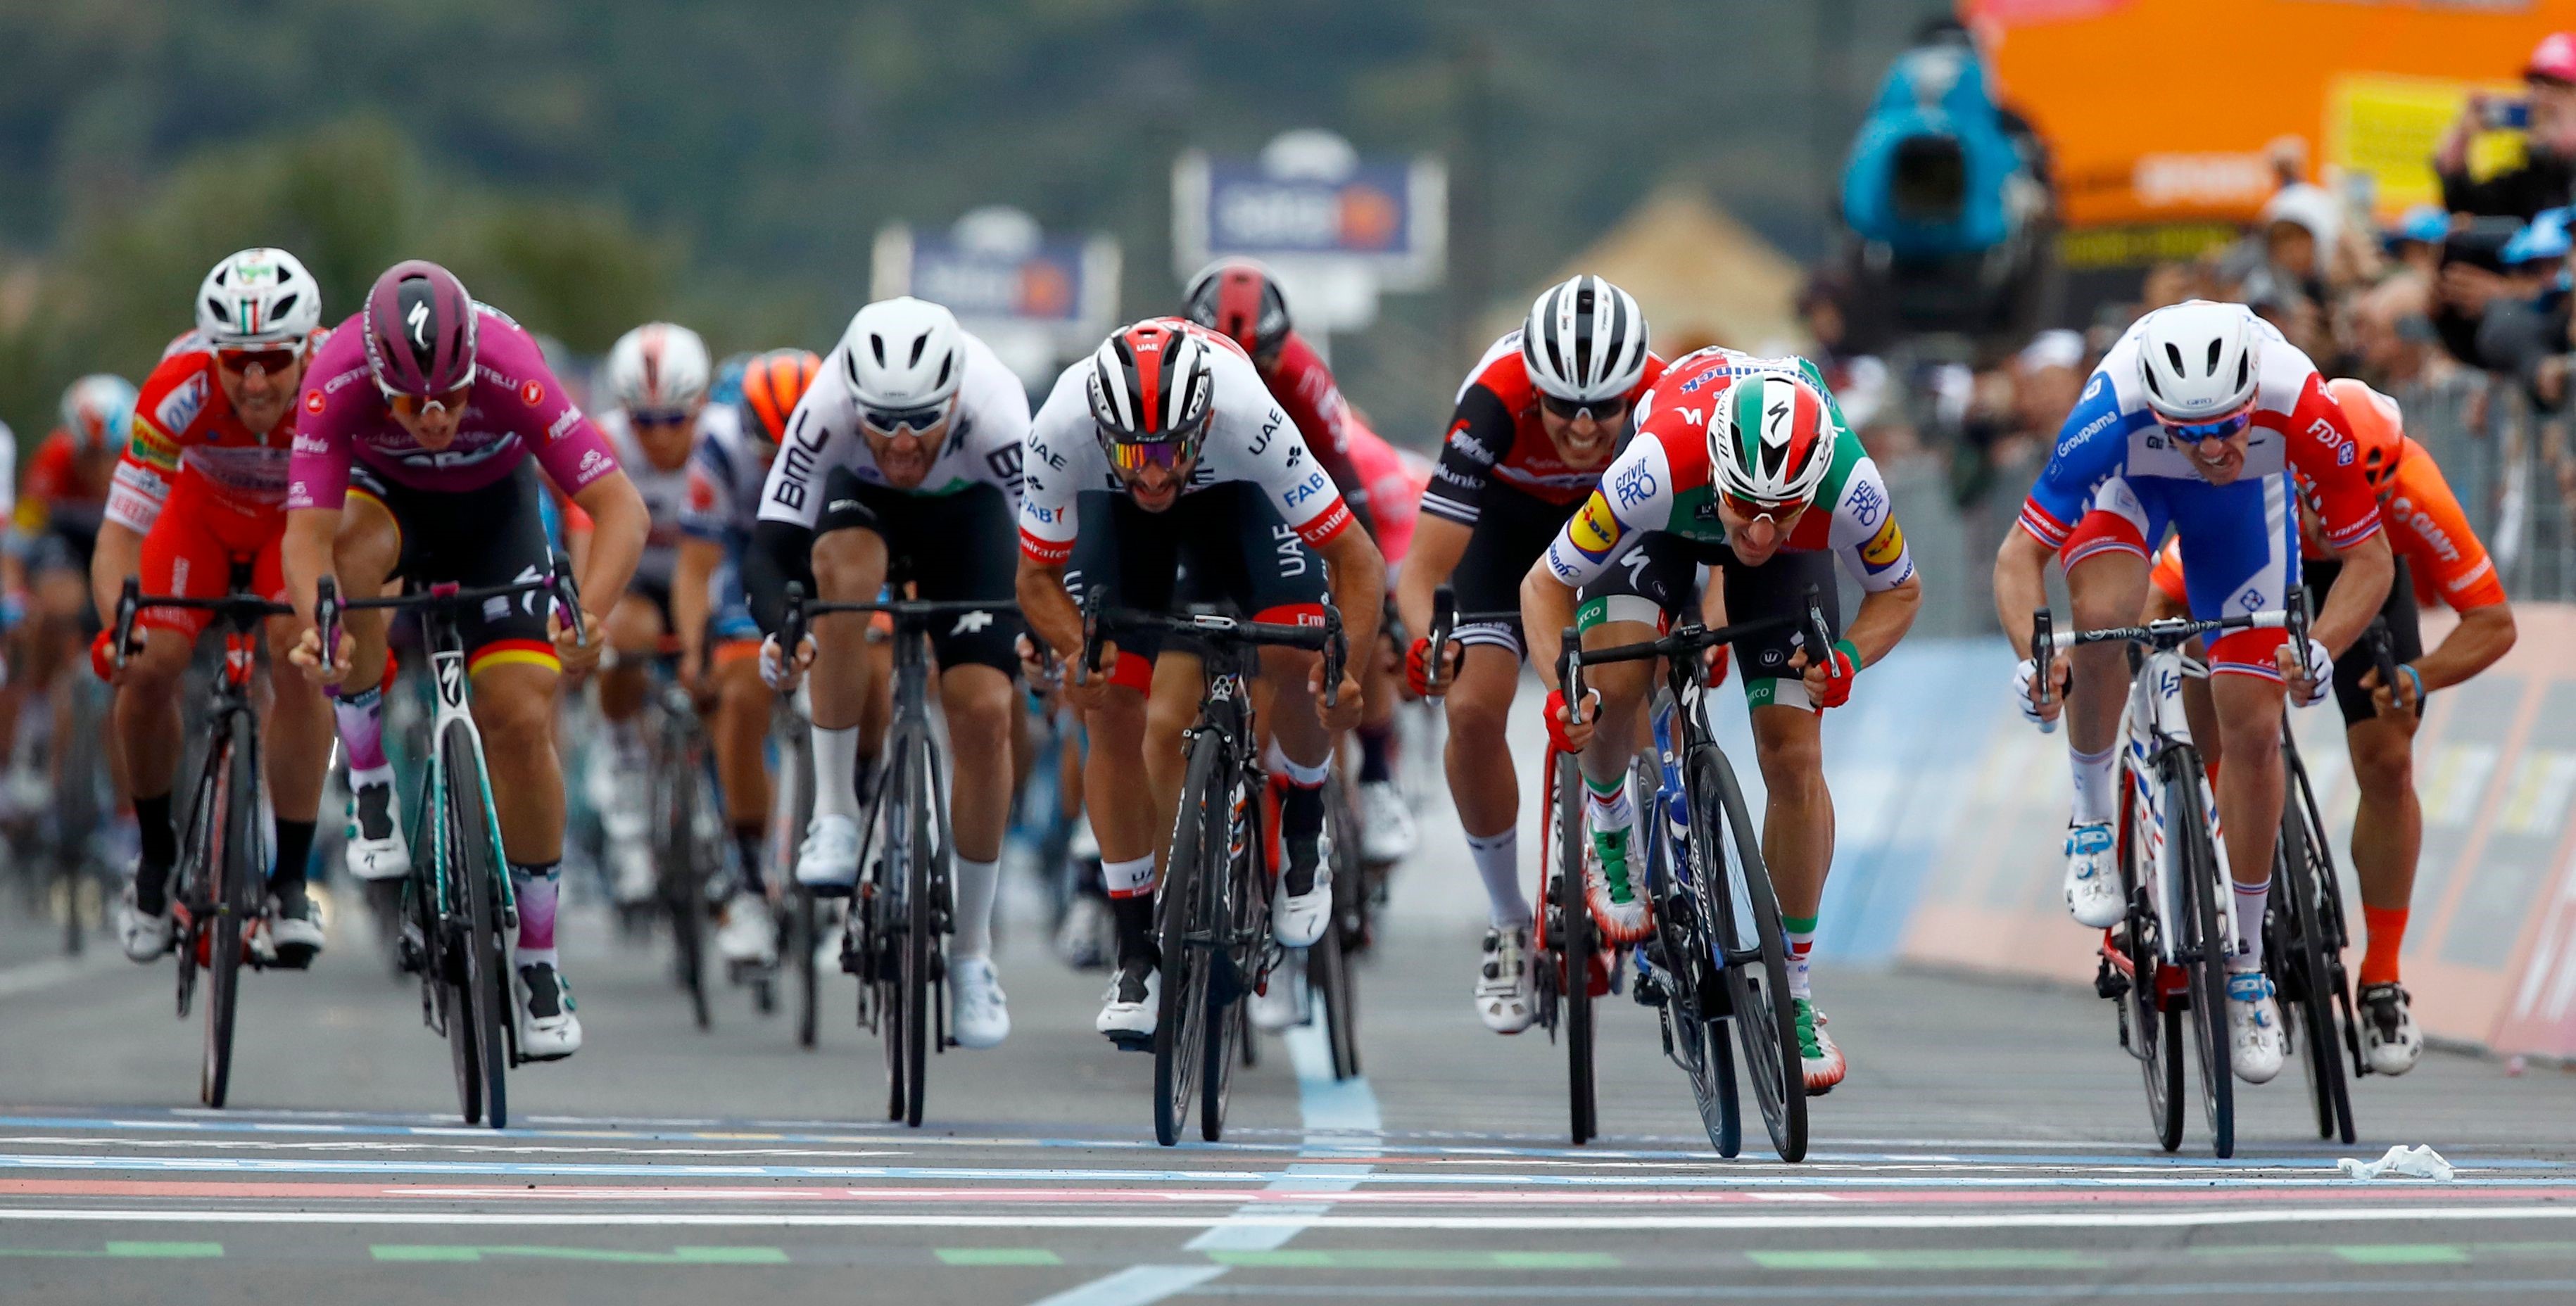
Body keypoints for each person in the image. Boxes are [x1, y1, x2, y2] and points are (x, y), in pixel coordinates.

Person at [1993, 300, 2394, 1086]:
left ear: (2255, 398)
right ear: (2158, 410)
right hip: (2131, 490)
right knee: (2104, 617)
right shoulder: (2109, 409)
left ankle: (2247, 970)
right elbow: (2018, 556)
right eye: (2191, 431)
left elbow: (2370, 559)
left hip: (2243, 516)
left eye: (2229, 427)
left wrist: (2319, 648)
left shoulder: (2302, 401)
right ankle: (2091, 820)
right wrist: (2039, 660)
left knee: (2251, 728)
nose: (2213, 446)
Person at [1522, 352, 1922, 1093]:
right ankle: (1611, 822)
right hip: (1665, 526)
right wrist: (1562, 689)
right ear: (1716, 468)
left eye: (1784, 513)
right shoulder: (1655, 463)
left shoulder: (1850, 485)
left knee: (1795, 757)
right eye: (1745, 506)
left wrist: (1845, 659)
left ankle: (1793, 990)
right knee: (1616, 680)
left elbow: (1899, 592)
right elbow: (1544, 583)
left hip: (1776, 556)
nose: (1762, 532)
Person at [282, 260, 650, 1062]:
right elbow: (305, 533)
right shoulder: (334, 376)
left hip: (496, 515)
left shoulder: (513, 367)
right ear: (379, 377)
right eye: (414, 402)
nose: (438, 415)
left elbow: (621, 507)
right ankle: (371, 776)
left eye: (452, 395)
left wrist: (590, 613)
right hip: (387, 507)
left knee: (521, 716)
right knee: (348, 563)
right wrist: (318, 626)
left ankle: (541, 960)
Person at [1014, 318, 1385, 1046]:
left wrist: (1344, 672)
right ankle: (1134, 952)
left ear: (1204, 421)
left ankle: (1304, 827)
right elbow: (1035, 577)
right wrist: (1074, 648)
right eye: (1133, 453)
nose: (1152, 472)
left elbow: (1358, 560)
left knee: (1299, 651)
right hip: (1120, 528)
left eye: (1168, 450)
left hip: (1237, 506)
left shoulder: (1247, 412)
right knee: (1110, 702)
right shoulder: (1061, 424)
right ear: (1099, 426)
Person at [2144, 380, 2513, 1075]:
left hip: (2368, 577)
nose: (2337, 512)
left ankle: (2382, 976)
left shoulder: (2413, 489)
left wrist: (2415, 677)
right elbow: (2165, 592)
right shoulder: (2257, 472)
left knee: (2389, 758)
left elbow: (2494, 623)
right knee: (2199, 647)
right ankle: (2226, 816)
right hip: (2264, 560)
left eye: (2373, 493)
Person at [742, 298, 1028, 1051]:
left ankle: (971, 953)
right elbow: (771, 547)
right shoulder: (829, 401)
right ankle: (834, 812)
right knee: (839, 576)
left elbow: (1049, 549)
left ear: (956, 400)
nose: (902, 444)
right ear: (854, 402)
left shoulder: (998, 406)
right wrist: (783, 627)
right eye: (882, 424)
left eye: (922, 424)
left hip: (970, 525)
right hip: (862, 511)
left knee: (984, 710)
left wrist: (1042, 642)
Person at [1391, 274, 1663, 1035]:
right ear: (1532, 388)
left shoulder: (1662, 398)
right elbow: (1423, 571)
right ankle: (1510, 919)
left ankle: (1655, 860)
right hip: (1506, 531)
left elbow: (1697, 540)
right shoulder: (1492, 399)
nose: (1582, 428)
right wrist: (1425, 644)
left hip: (1616, 526)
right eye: (1562, 409)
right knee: (1474, 707)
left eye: (1605, 409)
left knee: (1635, 677)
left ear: (1634, 388)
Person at [99, 248, 336, 968]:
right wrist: (120, 628)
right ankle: (154, 863)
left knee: (298, 662)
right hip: (198, 518)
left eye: (272, 358)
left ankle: (291, 880)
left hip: (291, 527)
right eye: (237, 362)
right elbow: (120, 533)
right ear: (211, 352)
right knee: (149, 667)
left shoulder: (337, 385)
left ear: (305, 347)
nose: (256, 380)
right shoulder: (176, 387)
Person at [1184, 258, 1415, 864]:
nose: (1244, 378)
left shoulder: (1306, 379)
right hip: (1201, 496)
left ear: (1281, 351)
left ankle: (1375, 772)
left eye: (1259, 363)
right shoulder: (1172, 376)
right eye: (1228, 362)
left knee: (1337, 634)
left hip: (1290, 490)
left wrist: (1383, 614)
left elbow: (1349, 495)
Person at [678, 348, 819, 972]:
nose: (783, 460)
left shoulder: (851, 434)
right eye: (769, 446)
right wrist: (692, 650)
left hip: (829, 552)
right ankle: (748, 876)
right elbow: (697, 562)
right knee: (739, 692)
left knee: (876, 661)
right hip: (750, 561)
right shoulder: (718, 446)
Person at [591, 322, 715, 906]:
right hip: (638, 584)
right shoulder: (604, 444)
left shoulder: (722, 443)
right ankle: (623, 760)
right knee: (624, 632)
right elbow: (585, 545)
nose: (660, 437)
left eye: (674, 420)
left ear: (703, 406)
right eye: (645, 421)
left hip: (707, 583)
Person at [5, 375, 135, 819]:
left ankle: (125, 812)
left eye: (110, 456)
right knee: (55, 606)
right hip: (66, 544)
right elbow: (20, 541)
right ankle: (37, 722)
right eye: (90, 456)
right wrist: (16, 596)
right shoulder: (53, 461)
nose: (100, 469)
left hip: (116, 544)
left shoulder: (144, 463)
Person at [2432, 32, 2576, 222]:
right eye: (2536, 87)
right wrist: (2462, 136)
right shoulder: (2528, 180)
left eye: (2557, 88)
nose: (2541, 100)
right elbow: (2464, 206)